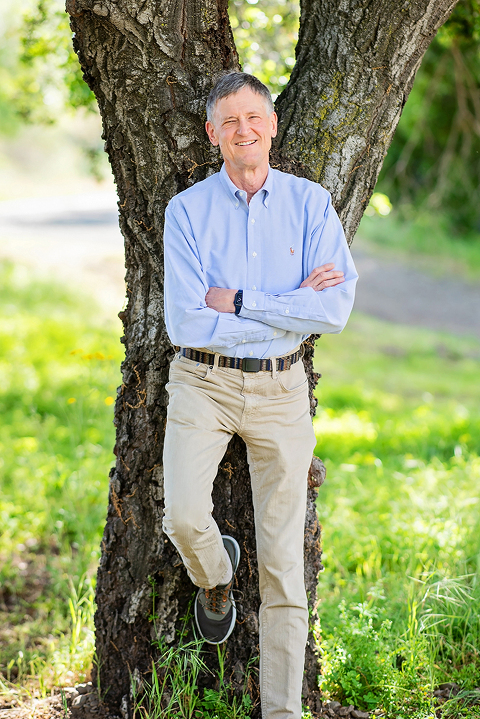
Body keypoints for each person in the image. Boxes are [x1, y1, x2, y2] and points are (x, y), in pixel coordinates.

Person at [162, 72, 358, 719]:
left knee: (282, 564)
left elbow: (332, 311)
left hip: (281, 388)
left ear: (272, 124)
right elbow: (188, 321)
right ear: (212, 133)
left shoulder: (310, 204)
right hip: (203, 380)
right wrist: (290, 304)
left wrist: (244, 301)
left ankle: (282, 712)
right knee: (184, 516)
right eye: (229, 120)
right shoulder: (187, 211)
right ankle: (215, 577)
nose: (243, 129)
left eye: (254, 117)